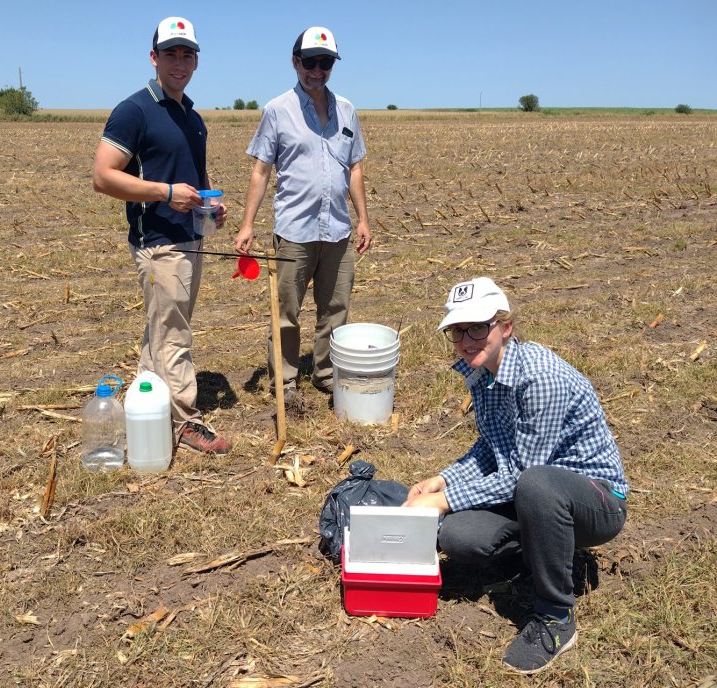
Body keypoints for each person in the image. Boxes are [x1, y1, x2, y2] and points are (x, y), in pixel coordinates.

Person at [404, 277, 628, 675]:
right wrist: (443, 479)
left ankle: (556, 617)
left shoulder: (539, 378)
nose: (466, 339)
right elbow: (492, 446)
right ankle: (542, 551)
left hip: (595, 502)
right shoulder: (485, 373)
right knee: (458, 536)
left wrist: (445, 500)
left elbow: (521, 474)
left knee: (536, 483)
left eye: (477, 327)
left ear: (505, 327)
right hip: (533, 491)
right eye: (457, 331)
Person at [92, 16, 230, 455]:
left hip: (189, 238)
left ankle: (145, 406)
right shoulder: (135, 110)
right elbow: (102, 176)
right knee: (173, 334)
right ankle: (186, 421)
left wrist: (211, 206)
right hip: (158, 242)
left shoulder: (192, 117)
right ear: (154, 58)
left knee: (163, 330)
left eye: (187, 54)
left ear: (196, 61)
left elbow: (194, 175)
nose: (179, 62)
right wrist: (165, 193)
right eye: (170, 53)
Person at [235, 26, 371, 396]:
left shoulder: (346, 110)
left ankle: (327, 375)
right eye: (310, 61)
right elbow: (261, 170)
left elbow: (354, 166)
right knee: (286, 312)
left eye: (325, 62)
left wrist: (362, 219)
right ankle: (285, 379)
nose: (317, 69)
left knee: (336, 308)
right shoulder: (278, 110)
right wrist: (247, 224)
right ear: (295, 62)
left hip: (338, 231)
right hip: (294, 230)